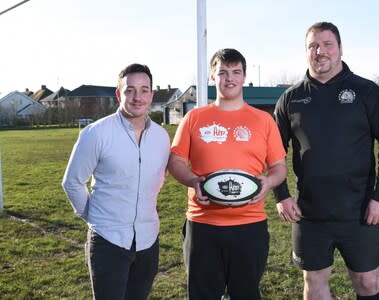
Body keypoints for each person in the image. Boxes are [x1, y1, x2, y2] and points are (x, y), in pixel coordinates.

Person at [273, 22, 379, 300]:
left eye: (327, 44)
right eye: (313, 46)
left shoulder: (366, 92)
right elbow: (273, 151)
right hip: (309, 212)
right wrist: (282, 195)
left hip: (359, 210)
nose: (320, 51)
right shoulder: (291, 99)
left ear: (340, 49)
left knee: (367, 281)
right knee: (314, 282)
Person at [168, 48, 287, 300]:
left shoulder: (264, 120)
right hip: (202, 225)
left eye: (236, 72)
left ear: (244, 77)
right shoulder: (194, 118)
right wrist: (191, 180)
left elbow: (279, 167)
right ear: (213, 76)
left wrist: (269, 182)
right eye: (222, 72)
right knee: (202, 295)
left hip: (250, 225)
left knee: (246, 294)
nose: (229, 78)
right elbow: (175, 161)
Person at [62, 63, 170, 300]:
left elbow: (157, 179)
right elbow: (72, 182)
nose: (137, 97)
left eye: (144, 90)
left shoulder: (162, 137)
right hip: (108, 241)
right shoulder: (96, 133)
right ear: (119, 94)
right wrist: (93, 216)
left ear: (152, 94)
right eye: (130, 90)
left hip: (148, 240)